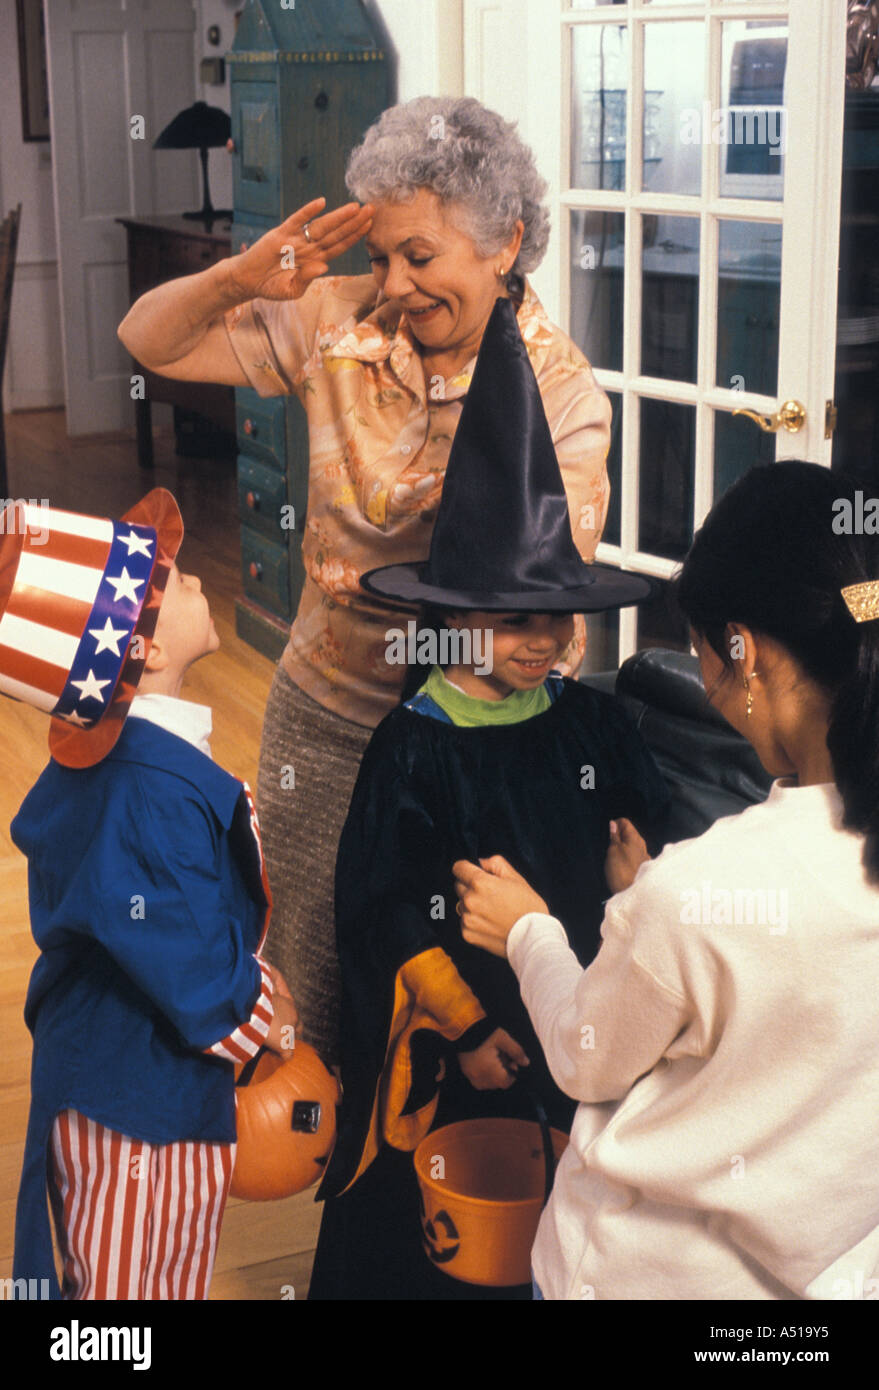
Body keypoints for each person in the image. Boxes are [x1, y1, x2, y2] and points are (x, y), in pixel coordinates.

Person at [116, 96, 612, 1067]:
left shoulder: (561, 394)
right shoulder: (339, 320)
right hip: (327, 713)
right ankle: (325, 1171)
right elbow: (150, 341)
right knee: (310, 964)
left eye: (418, 257)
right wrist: (239, 278)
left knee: (445, 984)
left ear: (505, 242)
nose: (393, 282)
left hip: (470, 739)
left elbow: (544, 627)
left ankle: (416, 1188)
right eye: (381, 255)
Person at [309, 297, 668, 1300]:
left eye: (558, 623)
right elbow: (378, 907)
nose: (545, 644)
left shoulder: (596, 728)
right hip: (457, 1046)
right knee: (449, 1232)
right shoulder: (413, 751)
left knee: (558, 1215)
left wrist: (637, 878)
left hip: (573, 1014)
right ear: (452, 619)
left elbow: (646, 847)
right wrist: (465, 1030)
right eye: (516, 623)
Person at [454, 460, 879, 1301]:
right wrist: (656, 904)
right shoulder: (704, 894)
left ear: (741, 653)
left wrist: (528, 931)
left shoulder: (695, 895)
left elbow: (587, 1059)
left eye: (699, 655)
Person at [5, 490, 298, 1300]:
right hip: (139, 1107)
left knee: (126, 1276)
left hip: (109, 1080)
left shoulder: (136, 769)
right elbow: (196, 969)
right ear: (143, 654)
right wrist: (268, 1015)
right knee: (139, 1287)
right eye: (170, 579)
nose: (194, 576)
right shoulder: (150, 795)